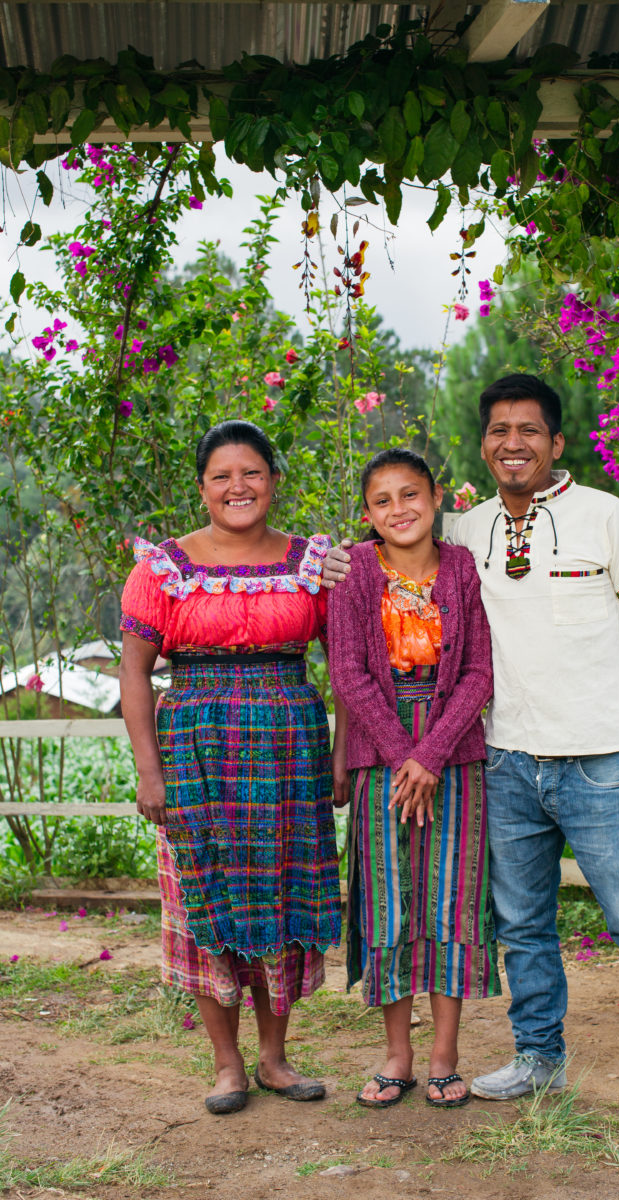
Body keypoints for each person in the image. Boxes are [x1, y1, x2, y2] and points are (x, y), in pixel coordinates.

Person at [323, 376, 619, 1131]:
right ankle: (538, 1056)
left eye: (529, 430)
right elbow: (393, 548)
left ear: (556, 443)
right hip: (504, 762)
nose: (513, 443)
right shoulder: (468, 531)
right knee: (523, 926)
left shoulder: (606, 516)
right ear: (482, 446)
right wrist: (337, 561)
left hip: (601, 759)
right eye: (498, 430)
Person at [119, 420, 342, 1115]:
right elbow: (132, 679)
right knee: (202, 898)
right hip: (194, 749)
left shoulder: (314, 565)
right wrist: (149, 771)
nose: (237, 487)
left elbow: (351, 665)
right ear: (203, 487)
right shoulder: (164, 569)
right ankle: (226, 1065)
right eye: (222, 475)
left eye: (251, 472)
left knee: (282, 896)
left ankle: (275, 1059)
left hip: (290, 750)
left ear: (274, 480)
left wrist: (339, 757)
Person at [328, 448, 499, 1109]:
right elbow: (348, 672)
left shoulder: (461, 569)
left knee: (453, 900)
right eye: (382, 500)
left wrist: (431, 756)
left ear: (435, 499)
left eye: (411, 494)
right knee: (390, 901)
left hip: (455, 750)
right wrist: (405, 754)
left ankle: (444, 1056)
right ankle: (397, 1055)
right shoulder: (353, 576)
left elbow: (479, 672)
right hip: (381, 752)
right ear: (367, 513)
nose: (399, 509)